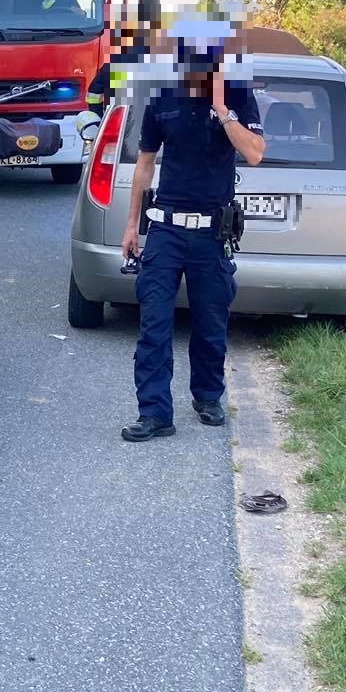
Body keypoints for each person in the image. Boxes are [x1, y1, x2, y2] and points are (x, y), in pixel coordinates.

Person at [119, 41, 266, 442]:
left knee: (209, 320)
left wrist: (221, 109)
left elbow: (254, 153)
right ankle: (154, 413)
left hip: (211, 232)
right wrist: (132, 225)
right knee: (153, 322)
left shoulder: (237, 99)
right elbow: (145, 166)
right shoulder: (163, 100)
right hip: (165, 228)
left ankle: (207, 396)